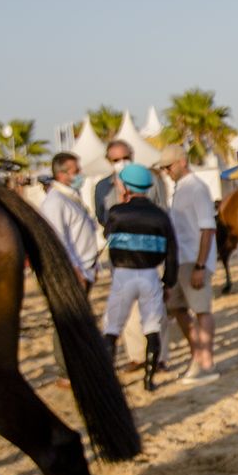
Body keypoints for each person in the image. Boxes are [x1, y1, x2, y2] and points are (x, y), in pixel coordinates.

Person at [101, 163, 178, 391]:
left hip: (123, 276)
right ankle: (149, 380)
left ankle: (107, 381)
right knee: (152, 327)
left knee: (112, 328)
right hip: (150, 275)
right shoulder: (160, 215)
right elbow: (172, 253)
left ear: (126, 187)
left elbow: (107, 233)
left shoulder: (116, 212)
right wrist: (169, 283)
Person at [157, 145, 219, 384]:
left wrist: (201, 265)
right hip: (180, 258)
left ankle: (207, 362)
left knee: (201, 309)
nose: (166, 171)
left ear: (182, 162)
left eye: (168, 166)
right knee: (177, 309)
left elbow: (207, 228)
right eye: (163, 167)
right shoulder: (180, 189)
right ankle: (198, 356)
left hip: (194, 258)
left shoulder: (196, 188)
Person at [39, 152, 101, 389]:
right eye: (76, 171)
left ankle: (78, 367)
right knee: (67, 319)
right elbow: (58, 242)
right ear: (62, 173)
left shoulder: (69, 197)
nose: (80, 175)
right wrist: (74, 272)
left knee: (79, 320)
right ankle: (66, 372)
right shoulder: (55, 202)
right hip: (74, 273)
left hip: (86, 268)